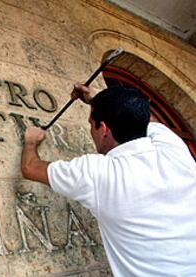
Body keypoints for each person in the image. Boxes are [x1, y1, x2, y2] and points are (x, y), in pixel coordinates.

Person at [21, 84, 196, 276]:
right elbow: (146, 119)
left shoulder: (98, 173)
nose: (90, 130)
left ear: (103, 129)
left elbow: (30, 168)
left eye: (91, 123)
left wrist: (30, 141)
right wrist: (101, 101)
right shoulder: (173, 149)